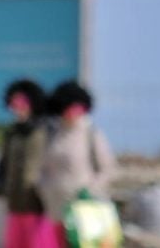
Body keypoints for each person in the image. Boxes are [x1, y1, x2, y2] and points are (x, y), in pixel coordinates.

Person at [37, 82, 114, 231]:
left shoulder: (92, 134)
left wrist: (90, 190)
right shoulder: (52, 135)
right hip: (55, 210)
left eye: (78, 108)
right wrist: (44, 189)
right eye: (69, 107)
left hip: (84, 210)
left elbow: (108, 169)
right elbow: (42, 167)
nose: (73, 112)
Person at [0, 80, 56, 248]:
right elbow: (4, 164)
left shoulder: (45, 131)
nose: (17, 107)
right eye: (13, 103)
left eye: (22, 102)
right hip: (15, 204)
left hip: (39, 206)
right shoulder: (11, 133)